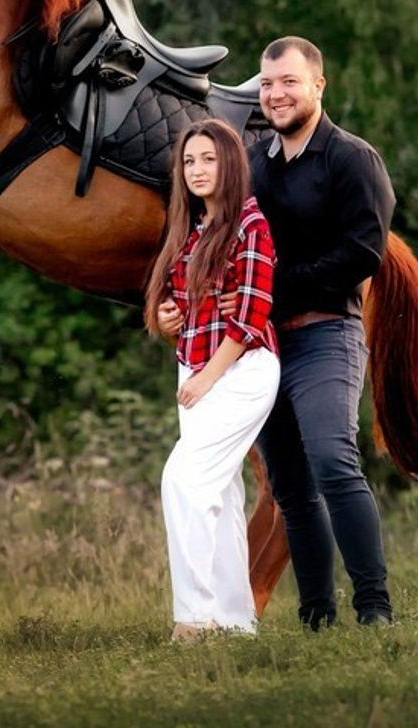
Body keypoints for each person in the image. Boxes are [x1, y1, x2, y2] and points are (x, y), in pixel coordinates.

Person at [164, 36, 395, 629]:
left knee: (332, 459)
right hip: (258, 347)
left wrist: (273, 286)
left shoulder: (351, 159)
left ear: (318, 85)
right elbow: (221, 246)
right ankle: (316, 613)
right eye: (266, 85)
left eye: (289, 82)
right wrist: (180, 308)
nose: (276, 94)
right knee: (289, 486)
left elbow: (363, 253)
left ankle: (374, 607)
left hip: (326, 334)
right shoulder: (254, 165)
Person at [146, 118, 280, 641]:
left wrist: (207, 378)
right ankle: (235, 620)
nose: (197, 170)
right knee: (219, 493)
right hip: (196, 366)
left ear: (230, 165)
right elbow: (177, 304)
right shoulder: (191, 228)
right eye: (189, 161)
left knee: (183, 480)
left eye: (209, 160)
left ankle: (194, 618)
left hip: (240, 370)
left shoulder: (250, 224)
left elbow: (250, 316)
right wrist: (165, 319)